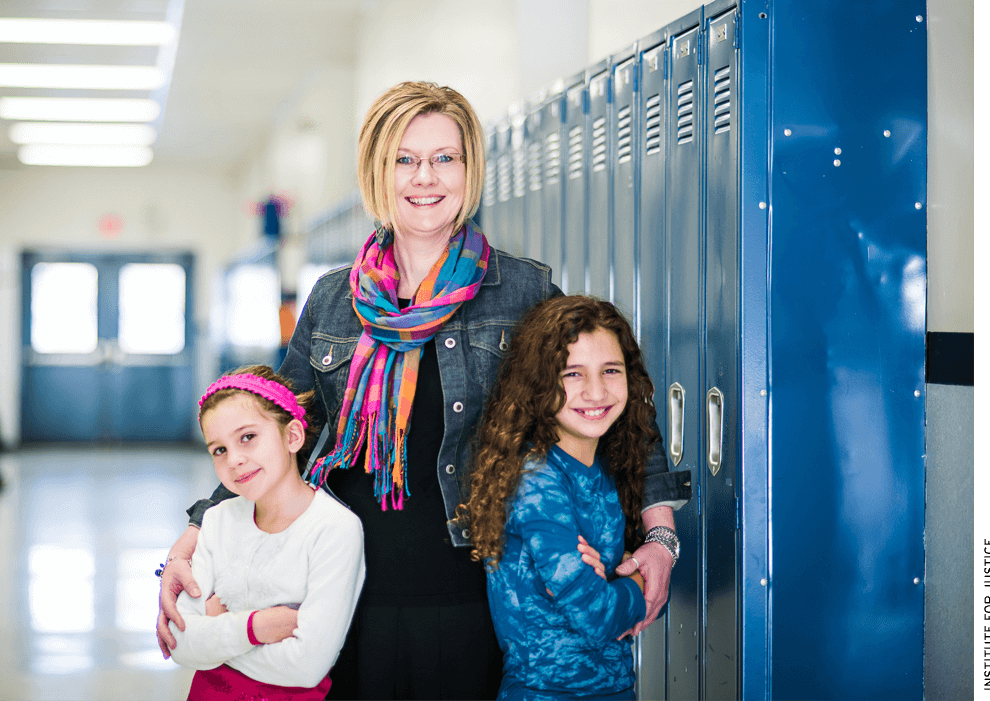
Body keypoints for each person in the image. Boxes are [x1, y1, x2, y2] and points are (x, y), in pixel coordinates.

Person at [158, 81, 689, 699]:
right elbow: (269, 431)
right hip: (343, 582)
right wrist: (197, 535)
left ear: (470, 170)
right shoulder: (333, 299)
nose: (425, 178)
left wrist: (659, 537)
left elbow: (618, 412)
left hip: (470, 586)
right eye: (404, 159)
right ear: (377, 173)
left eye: (445, 158)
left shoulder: (520, 291)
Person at [461, 296, 672, 700]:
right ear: (539, 382)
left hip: (613, 689)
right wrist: (638, 581)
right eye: (573, 374)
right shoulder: (537, 482)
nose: (596, 392)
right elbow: (597, 615)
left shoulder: (605, 465)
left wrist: (610, 582)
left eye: (611, 370)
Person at [167, 365, 365, 700]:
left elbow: (307, 666)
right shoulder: (218, 520)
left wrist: (214, 638)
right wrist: (257, 627)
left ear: (292, 436)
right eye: (219, 449)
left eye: (248, 437)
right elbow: (180, 643)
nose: (234, 460)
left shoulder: (334, 529)